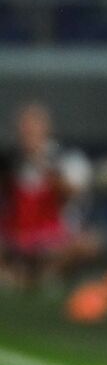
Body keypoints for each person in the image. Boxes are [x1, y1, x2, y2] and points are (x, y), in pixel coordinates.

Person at [0, 103, 98, 289]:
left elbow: (74, 193)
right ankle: (15, 279)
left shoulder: (65, 158)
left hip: (52, 236)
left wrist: (44, 165)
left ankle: (45, 278)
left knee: (87, 244)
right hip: (16, 234)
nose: (28, 133)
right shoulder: (9, 161)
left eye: (33, 127)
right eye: (24, 127)